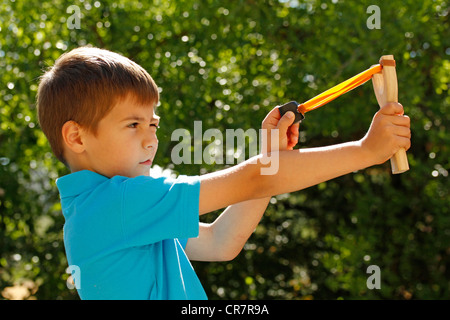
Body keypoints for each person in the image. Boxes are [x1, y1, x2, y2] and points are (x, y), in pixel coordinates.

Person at [36, 46, 410, 300]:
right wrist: (367, 150)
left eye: (153, 124)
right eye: (133, 124)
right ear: (76, 136)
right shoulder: (118, 203)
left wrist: (270, 159)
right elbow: (255, 178)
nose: (151, 140)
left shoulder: (116, 210)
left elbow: (221, 241)